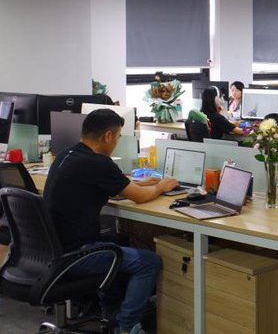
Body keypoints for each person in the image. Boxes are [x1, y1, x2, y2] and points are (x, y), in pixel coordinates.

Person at [43, 109, 179, 334]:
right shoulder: (98, 163)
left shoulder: (68, 154)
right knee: (149, 262)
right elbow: (140, 198)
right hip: (78, 254)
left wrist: (141, 183)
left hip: (55, 249)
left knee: (118, 241)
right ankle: (127, 326)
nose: (117, 142)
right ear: (108, 136)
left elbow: (115, 184)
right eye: (118, 137)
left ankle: (111, 314)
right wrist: (161, 187)